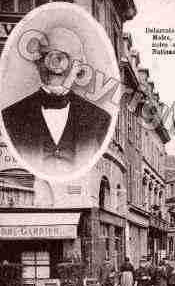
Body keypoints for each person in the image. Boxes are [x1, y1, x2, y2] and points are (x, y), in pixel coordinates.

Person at [2, 27, 111, 178]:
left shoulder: (100, 120)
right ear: (38, 64)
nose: (56, 68)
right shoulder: (10, 117)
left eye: (63, 59)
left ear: (80, 68)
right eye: (49, 58)